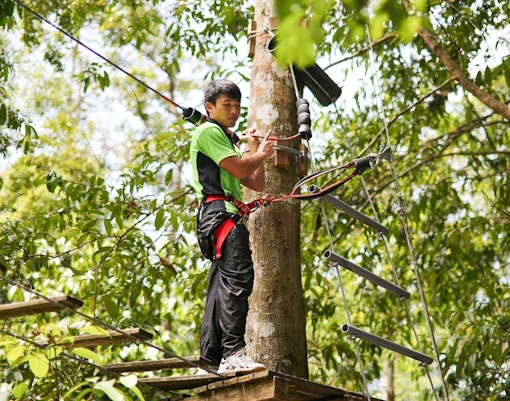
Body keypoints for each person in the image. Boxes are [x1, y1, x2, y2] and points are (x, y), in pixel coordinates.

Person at [190, 79, 274, 374]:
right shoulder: (209, 131)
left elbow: (256, 182)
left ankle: (210, 359)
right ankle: (233, 353)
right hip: (220, 216)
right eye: (228, 105)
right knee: (239, 280)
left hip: (222, 218)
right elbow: (240, 169)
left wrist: (253, 149)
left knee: (220, 287)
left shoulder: (225, 140)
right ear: (209, 107)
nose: (235, 111)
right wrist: (260, 154)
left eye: (238, 105)